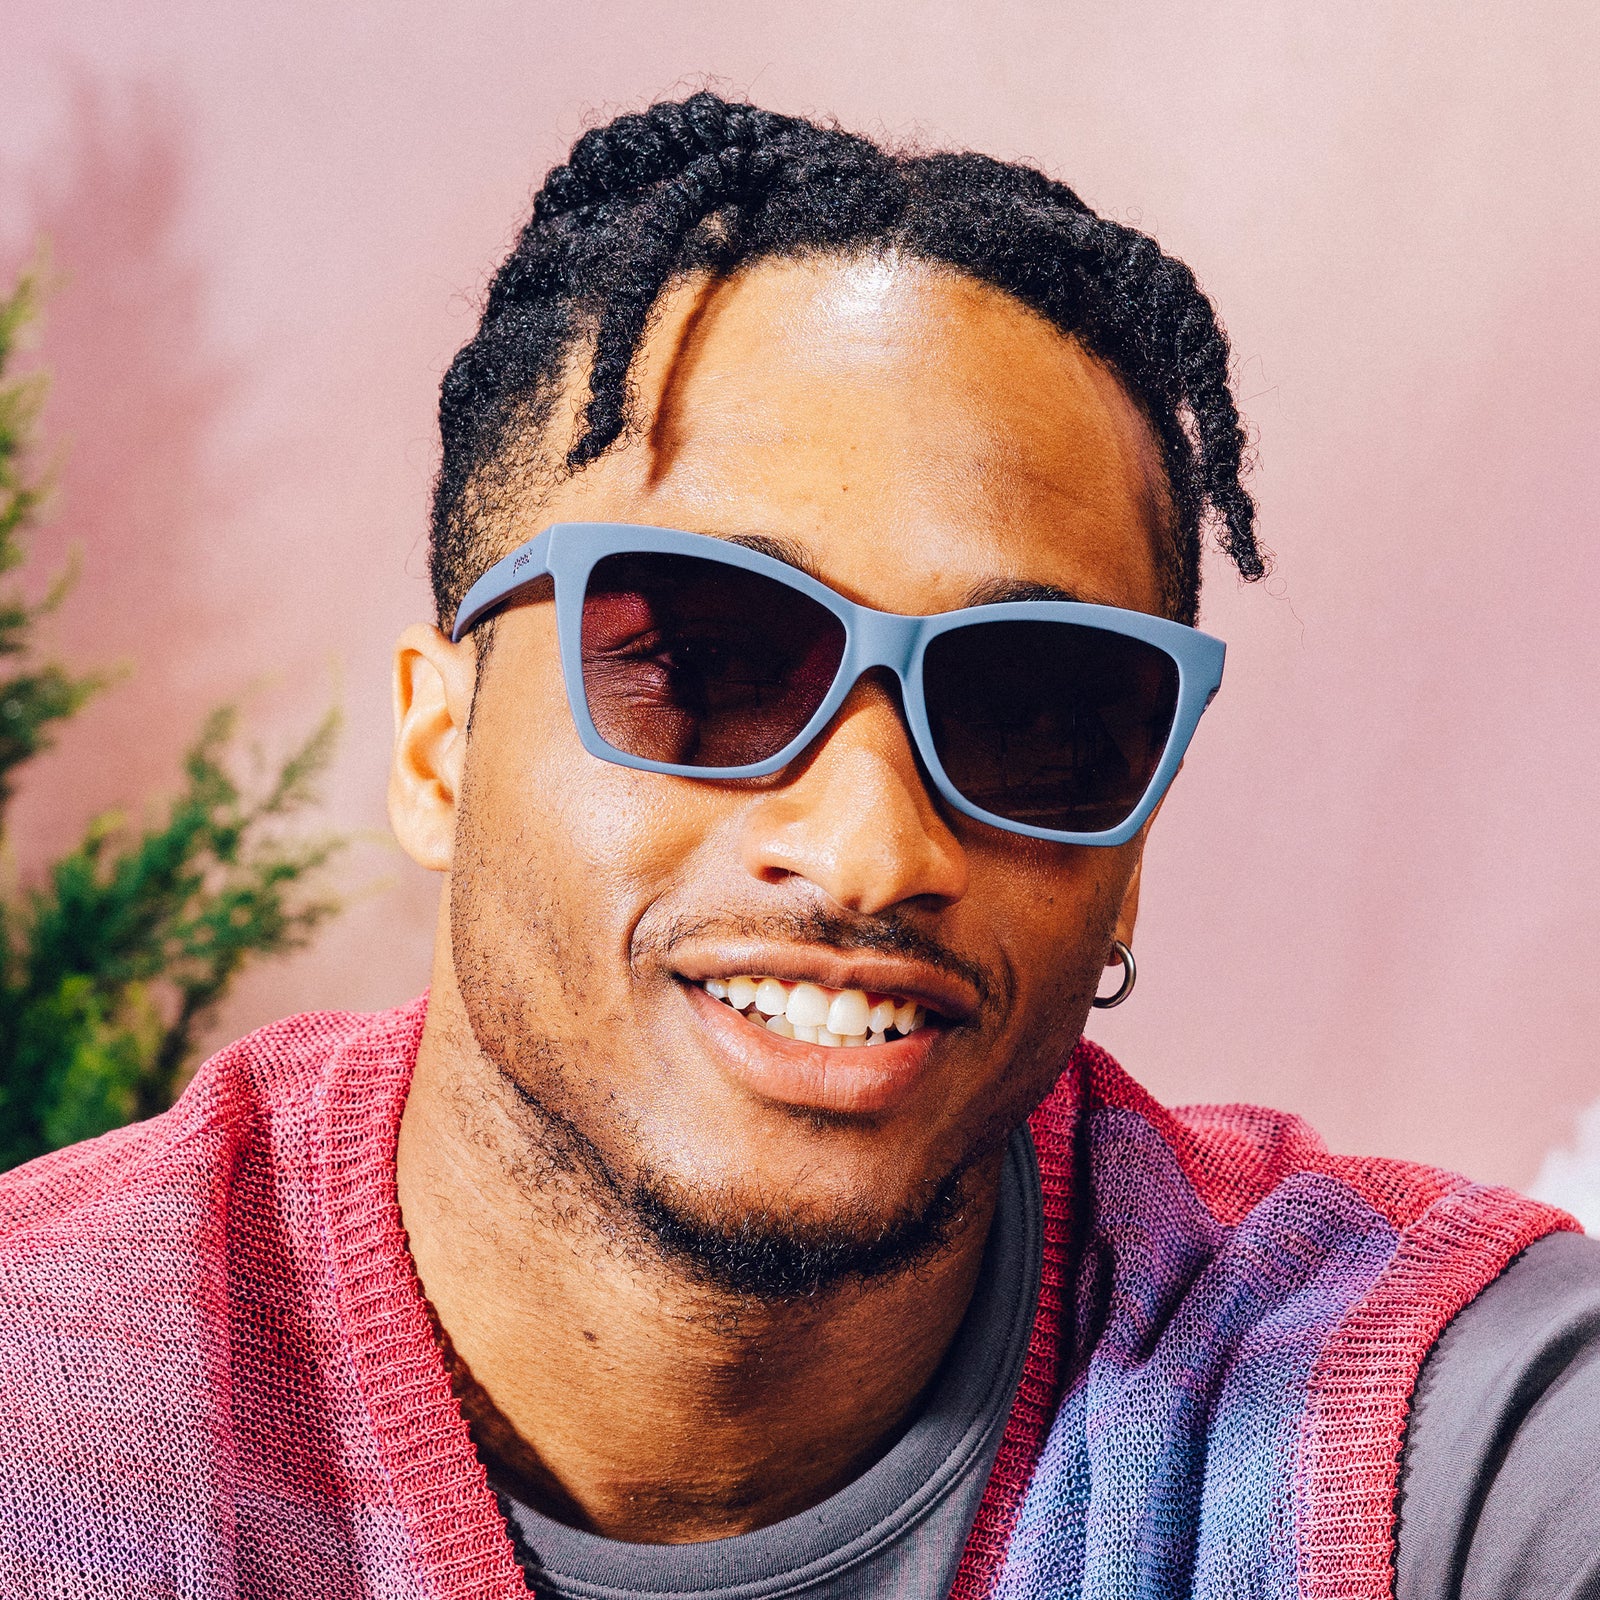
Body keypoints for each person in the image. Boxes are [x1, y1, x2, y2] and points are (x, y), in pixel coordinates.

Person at [1, 92, 1596, 1600]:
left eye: (1034, 709)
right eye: (703, 658)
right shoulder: (50, 1412)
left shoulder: (1426, 1428)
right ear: (439, 743)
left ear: (1133, 851)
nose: (869, 850)